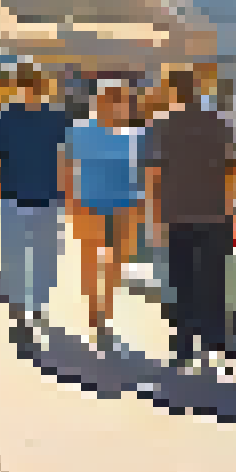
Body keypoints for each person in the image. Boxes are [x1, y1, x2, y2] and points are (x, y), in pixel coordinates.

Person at [142, 67, 236, 374]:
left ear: (172, 90)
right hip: (215, 211)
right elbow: (234, 168)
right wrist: (228, 205)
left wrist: (154, 216)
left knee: (182, 280)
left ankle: (184, 344)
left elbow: (154, 175)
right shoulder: (220, 123)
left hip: (178, 212)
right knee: (213, 281)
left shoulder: (161, 125)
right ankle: (214, 342)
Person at [0, 68, 73, 341]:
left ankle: (27, 310)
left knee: (23, 259)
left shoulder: (6, 118)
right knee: (36, 258)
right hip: (37, 198)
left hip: (26, 198)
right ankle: (29, 310)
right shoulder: (53, 118)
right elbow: (66, 159)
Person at [66, 82, 145, 352]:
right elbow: (66, 167)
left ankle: (104, 311)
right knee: (90, 258)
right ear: (97, 101)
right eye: (109, 99)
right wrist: (70, 202)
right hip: (89, 203)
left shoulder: (136, 134)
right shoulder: (80, 131)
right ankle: (93, 310)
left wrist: (143, 204)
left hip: (124, 205)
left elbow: (144, 172)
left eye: (119, 100)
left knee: (114, 263)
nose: (115, 105)